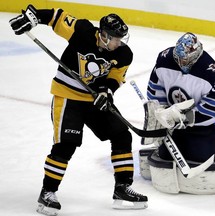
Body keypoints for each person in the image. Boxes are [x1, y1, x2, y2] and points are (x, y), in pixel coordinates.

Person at [9, 4, 148, 215]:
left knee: (121, 134)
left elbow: (115, 78)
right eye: (115, 39)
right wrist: (34, 17)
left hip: (93, 99)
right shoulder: (82, 31)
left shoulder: (123, 54)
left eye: (121, 39)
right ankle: (48, 192)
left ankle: (122, 188)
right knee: (66, 144)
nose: (119, 43)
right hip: (67, 96)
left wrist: (106, 92)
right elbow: (57, 17)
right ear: (103, 35)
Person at [143, 32, 215, 163]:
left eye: (187, 59)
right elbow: (155, 90)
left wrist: (185, 117)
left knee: (200, 161)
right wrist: (163, 113)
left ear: (197, 54)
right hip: (172, 126)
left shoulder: (211, 71)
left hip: (203, 128)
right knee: (166, 159)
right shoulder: (164, 59)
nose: (182, 62)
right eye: (179, 58)